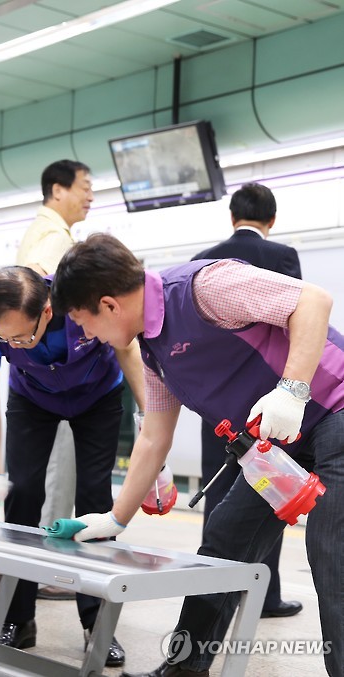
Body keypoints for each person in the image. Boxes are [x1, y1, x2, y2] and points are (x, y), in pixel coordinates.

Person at [51, 232, 344, 677]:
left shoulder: (205, 287)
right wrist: (115, 519)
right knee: (225, 539)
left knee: (332, 552)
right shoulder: (153, 352)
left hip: (334, 405)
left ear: (108, 305)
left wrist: (292, 390)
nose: (87, 335)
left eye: (82, 321)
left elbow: (313, 301)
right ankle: (186, 668)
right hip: (281, 439)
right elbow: (154, 437)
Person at [0, 265, 144, 668]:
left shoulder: (79, 300)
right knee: (22, 494)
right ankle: (17, 619)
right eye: (4, 337)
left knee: (94, 498)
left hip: (98, 396)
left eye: (20, 337)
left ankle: (97, 624)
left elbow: (127, 350)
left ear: (47, 311)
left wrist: (147, 420)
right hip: (32, 399)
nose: (11, 343)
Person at [191, 182, 303, 619]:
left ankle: (211, 593)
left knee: (217, 490)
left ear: (232, 217)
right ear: (271, 220)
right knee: (268, 489)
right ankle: (264, 597)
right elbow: (293, 321)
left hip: (217, 400)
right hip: (267, 398)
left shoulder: (204, 259)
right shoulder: (282, 256)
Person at [16, 158, 93, 601]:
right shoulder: (54, 237)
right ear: (58, 190)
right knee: (60, 474)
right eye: (85, 187)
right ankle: (44, 569)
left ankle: (29, 565)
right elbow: (38, 292)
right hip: (58, 376)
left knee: (46, 473)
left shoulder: (41, 229)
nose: (90, 196)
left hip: (40, 375)